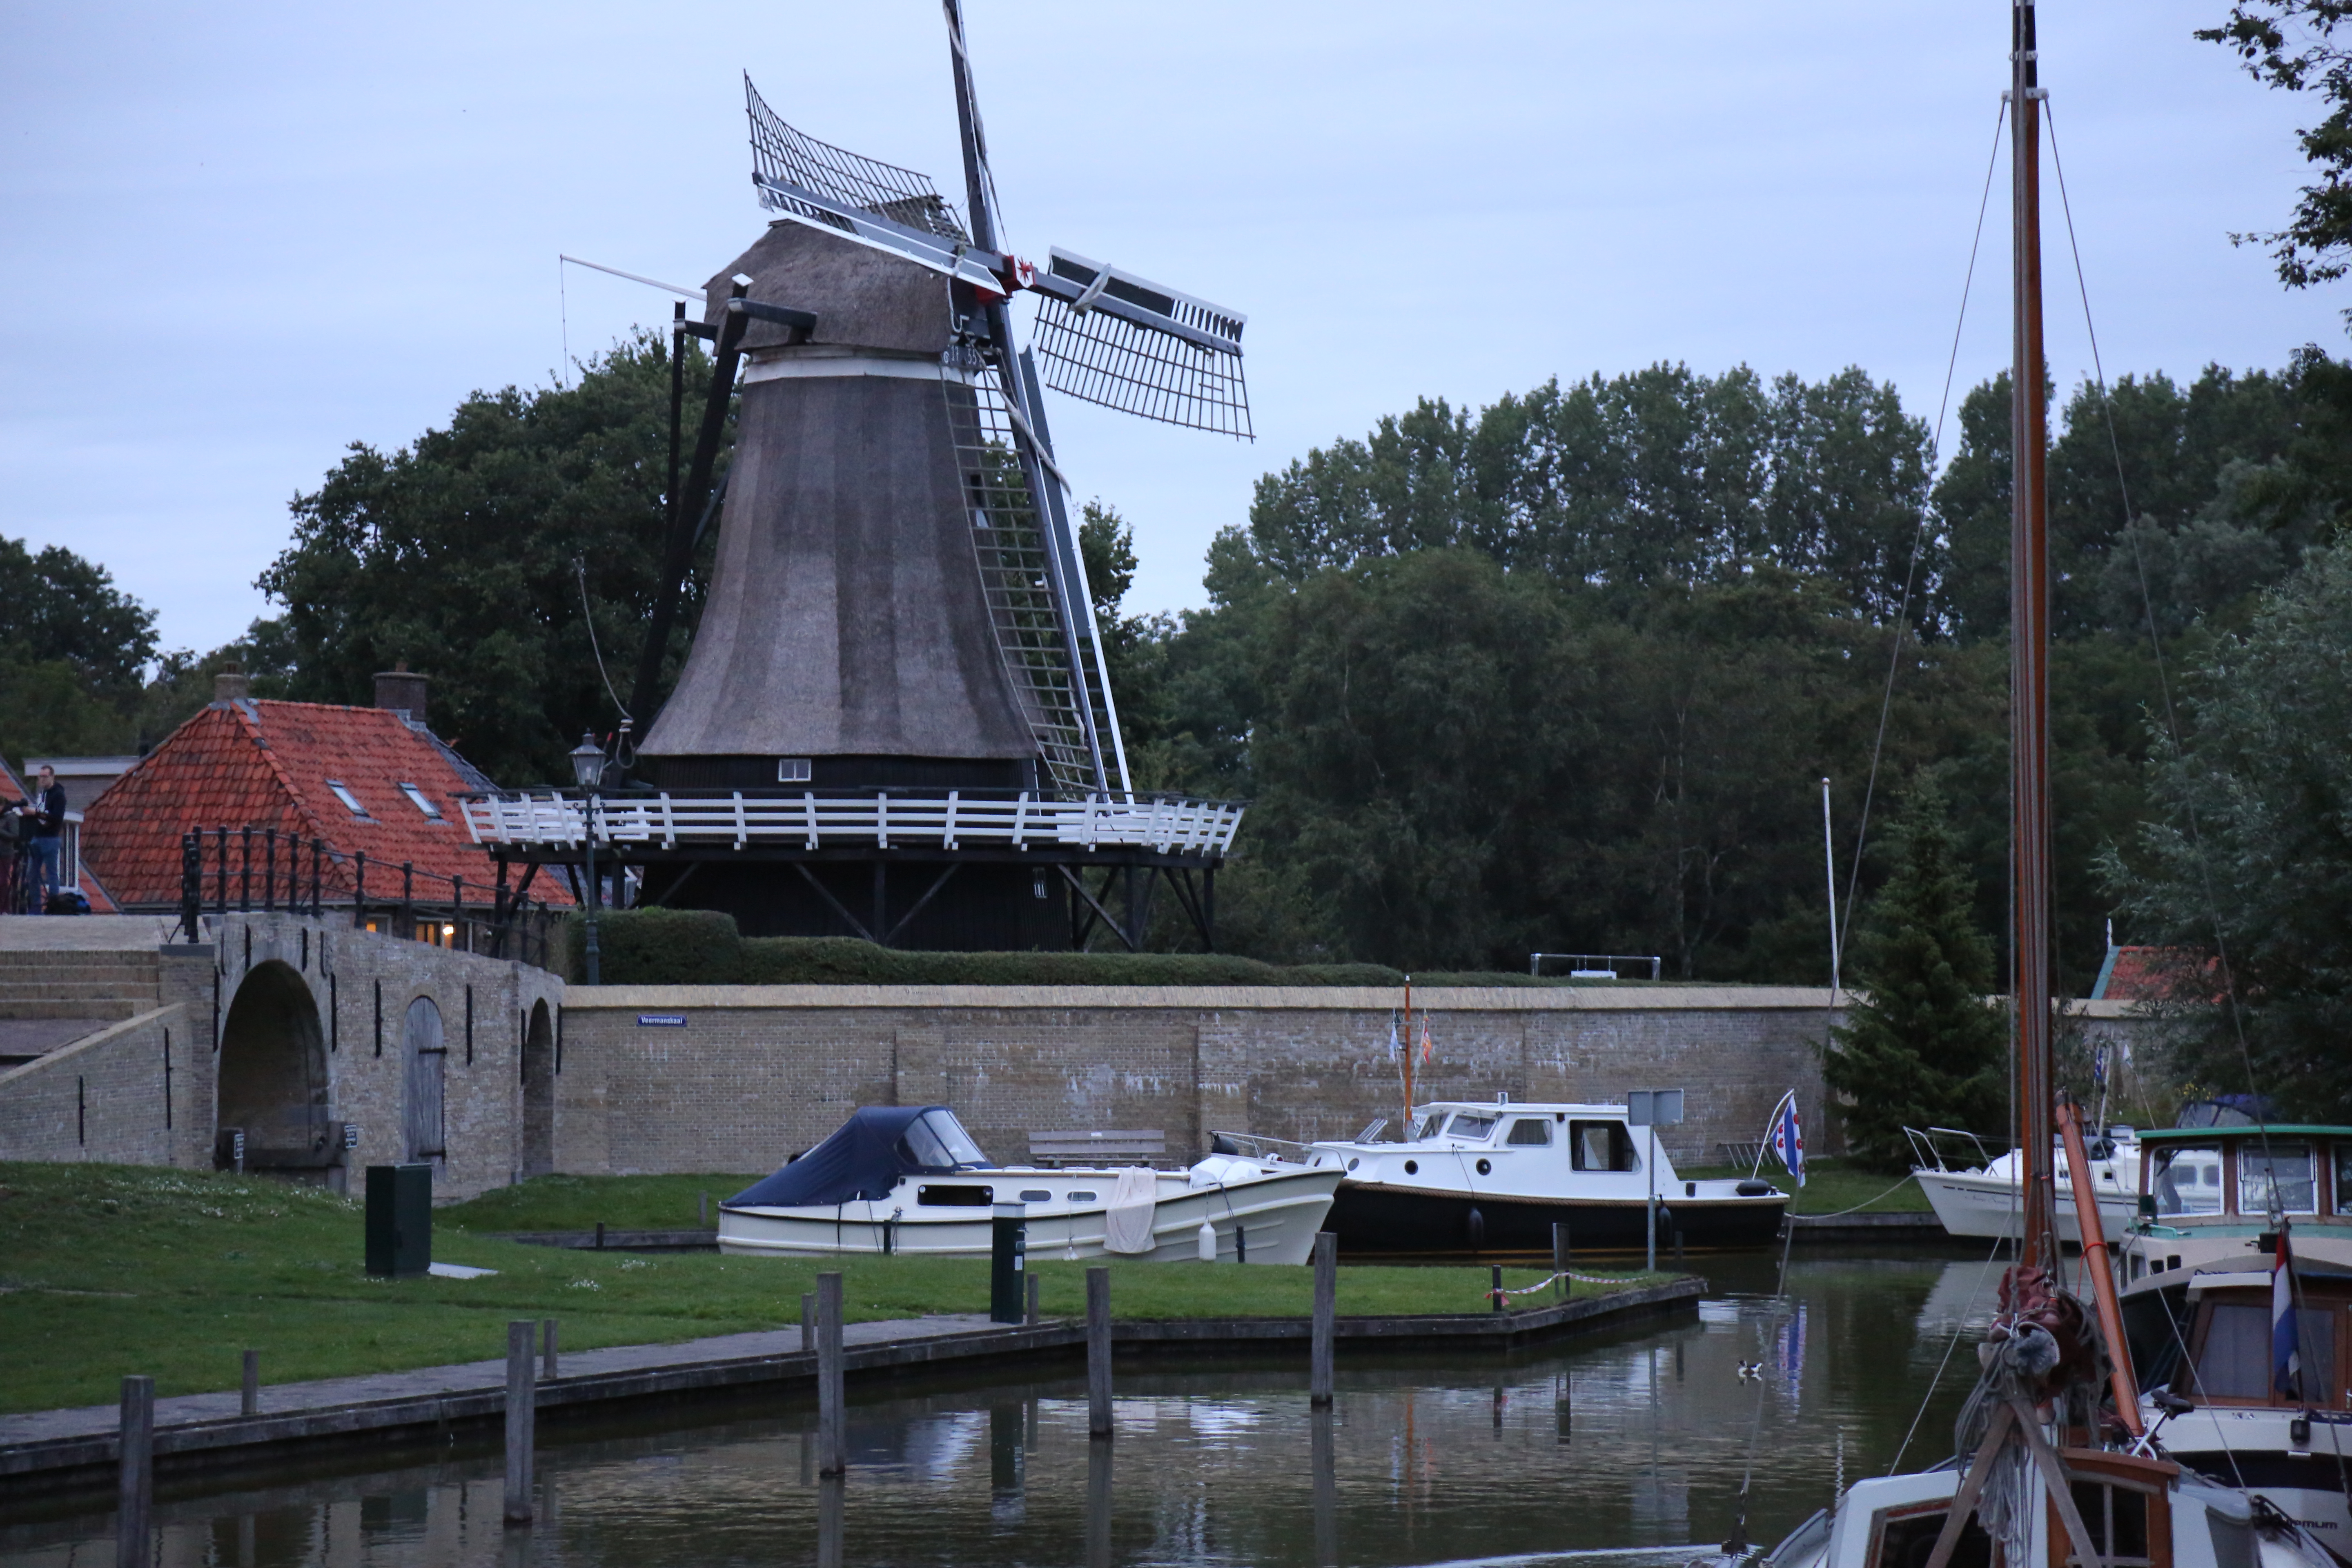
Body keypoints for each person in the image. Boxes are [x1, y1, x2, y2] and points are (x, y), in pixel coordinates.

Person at [25, 765, 65, 913]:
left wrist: (35, 813)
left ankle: (54, 906)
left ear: (52, 777)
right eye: (40, 777)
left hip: (51, 838)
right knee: (32, 873)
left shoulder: (59, 795)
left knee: (51, 873)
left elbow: (56, 818)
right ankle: (36, 906)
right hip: (37, 837)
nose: (42, 779)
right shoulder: (42, 794)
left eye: (45, 776)